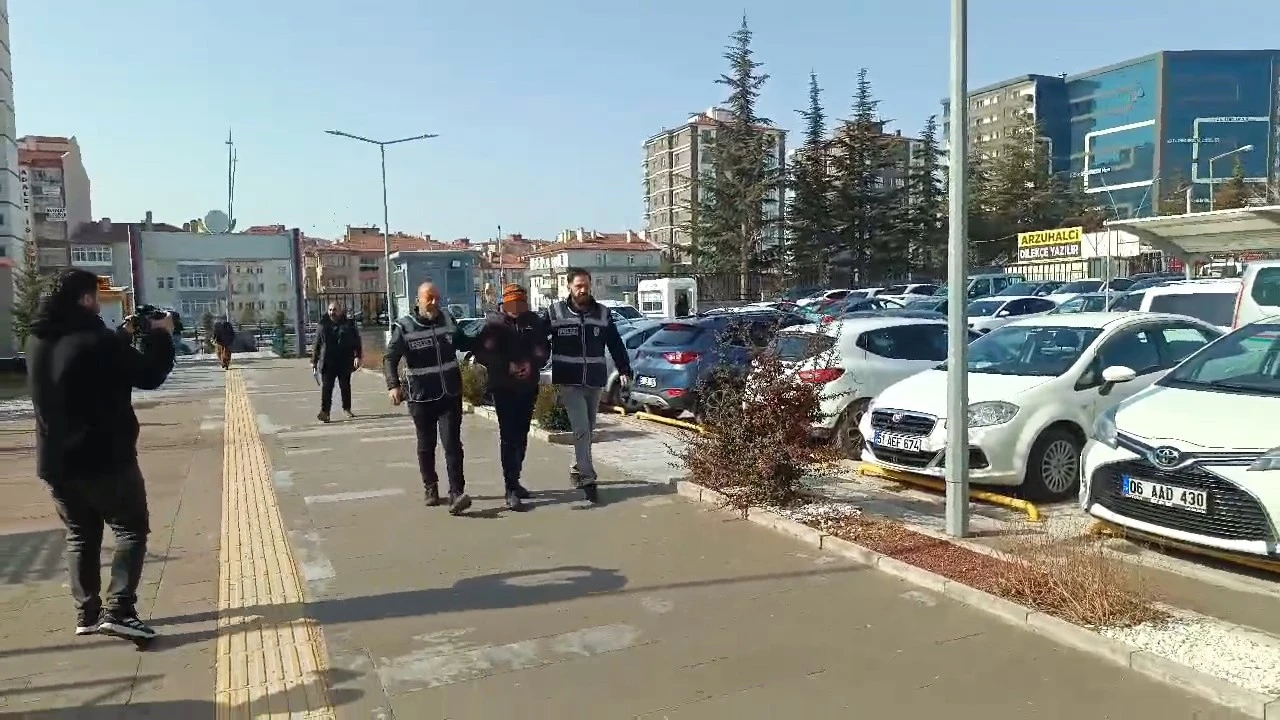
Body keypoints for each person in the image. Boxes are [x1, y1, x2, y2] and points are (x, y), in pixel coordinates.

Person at [27, 269, 176, 641]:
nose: (97, 301)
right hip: (104, 458)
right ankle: (120, 610)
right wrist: (160, 335)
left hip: (57, 462)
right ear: (83, 299)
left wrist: (122, 335)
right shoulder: (96, 341)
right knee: (129, 529)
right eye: (95, 295)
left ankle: (87, 613)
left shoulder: (38, 340)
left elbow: (81, 366)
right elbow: (148, 374)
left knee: (80, 534)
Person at [383, 282, 475, 515]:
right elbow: (390, 358)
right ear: (418, 301)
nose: (434, 303)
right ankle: (430, 486)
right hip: (420, 396)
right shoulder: (404, 327)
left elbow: (464, 342)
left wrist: (488, 339)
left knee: (452, 444)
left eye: (436, 298)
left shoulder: (447, 320)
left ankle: (457, 493)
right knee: (426, 445)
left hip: (449, 393)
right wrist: (393, 386)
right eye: (429, 298)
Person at [541, 268, 631, 504]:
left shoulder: (602, 313)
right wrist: (534, 362)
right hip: (568, 380)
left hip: (594, 379)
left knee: (588, 429)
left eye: (586, 286)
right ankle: (588, 478)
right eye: (578, 286)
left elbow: (615, 342)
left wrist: (624, 369)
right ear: (569, 287)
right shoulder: (555, 312)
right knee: (581, 428)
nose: (583, 290)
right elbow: (537, 340)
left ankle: (576, 466)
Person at [472, 284, 550, 511]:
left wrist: (532, 363)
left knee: (522, 434)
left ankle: (515, 478)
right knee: (508, 436)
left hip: (527, 386)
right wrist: (508, 366)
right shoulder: (493, 324)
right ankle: (510, 488)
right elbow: (482, 354)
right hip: (503, 387)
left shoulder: (533, 322)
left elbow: (544, 348)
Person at [311, 303, 363, 423]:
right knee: (327, 388)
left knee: (345, 386)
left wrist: (357, 356)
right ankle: (325, 412)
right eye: (330, 310)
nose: (332, 312)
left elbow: (357, 342)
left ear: (340, 311)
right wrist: (313, 361)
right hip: (327, 361)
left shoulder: (348, 324)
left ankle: (347, 408)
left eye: (334, 310)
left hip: (344, 360)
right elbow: (316, 344)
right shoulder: (322, 325)